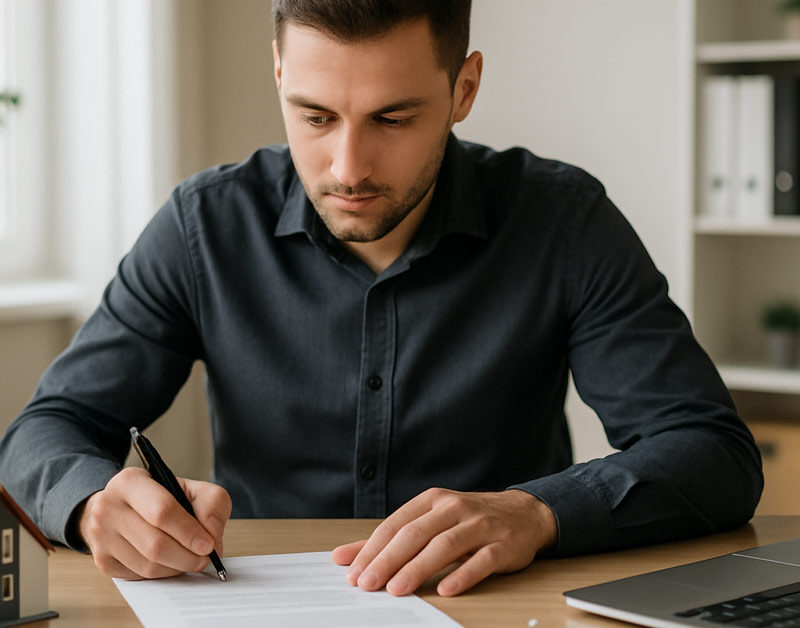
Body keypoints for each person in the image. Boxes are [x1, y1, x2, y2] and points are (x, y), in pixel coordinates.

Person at [0, 0, 762, 598]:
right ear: (277, 74)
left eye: (393, 119)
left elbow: (715, 454)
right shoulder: (204, 228)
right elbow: (47, 430)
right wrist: (92, 500)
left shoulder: (563, 222)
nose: (348, 166)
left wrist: (538, 513)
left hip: (492, 606)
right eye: (315, 116)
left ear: (464, 88)